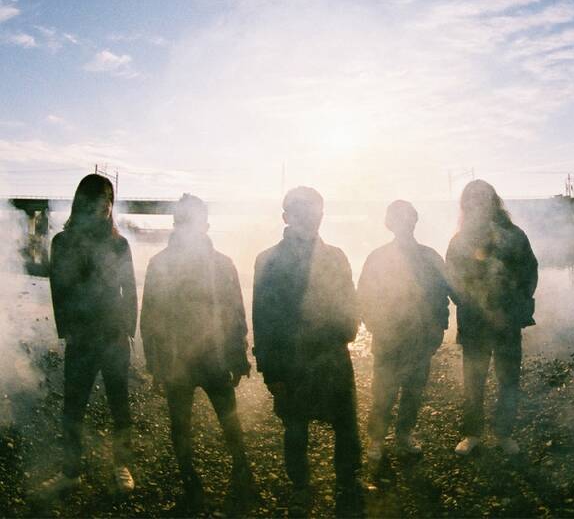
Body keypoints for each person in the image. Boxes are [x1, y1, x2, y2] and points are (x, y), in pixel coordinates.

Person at [252, 187, 362, 518]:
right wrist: (271, 372)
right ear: (286, 217)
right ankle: (300, 485)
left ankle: (347, 481)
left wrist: (348, 329)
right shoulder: (268, 260)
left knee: (345, 425)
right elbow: (263, 319)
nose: (309, 219)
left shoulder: (336, 256)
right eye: (301, 212)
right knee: (296, 428)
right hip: (291, 362)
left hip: (332, 356)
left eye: (314, 213)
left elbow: (349, 301)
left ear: (321, 216)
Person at [140, 194, 253, 509]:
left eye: (194, 221)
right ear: (179, 224)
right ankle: (215, 477)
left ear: (205, 225)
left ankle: (225, 475)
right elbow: (150, 318)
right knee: (202, 423)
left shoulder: (169, 263)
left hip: (203, 358)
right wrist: (155, 365)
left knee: (214, 422)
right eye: (185, 221)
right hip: (186, 360)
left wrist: (238, 357)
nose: (190, 227)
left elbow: (235, 315)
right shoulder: (208, 263)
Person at [42, 174, 137, 496]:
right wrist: (66, 330)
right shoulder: (63, 242)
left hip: (114, 335)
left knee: (119, 403)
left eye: (108, 199)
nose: (104, 205)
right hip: (81, 336)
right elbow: (59, 290)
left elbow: (130, 289)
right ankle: (70, 472)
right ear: (82, 202)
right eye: (98, 198)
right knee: (73, 407)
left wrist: (129, 330)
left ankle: (122, 465)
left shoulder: (119, 244)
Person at [446, 180, 538, 456]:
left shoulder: (514, 235)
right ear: (466, 204)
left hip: (507, 321)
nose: (478, 203)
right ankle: (472, 433)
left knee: (508, 379)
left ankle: (504, 433)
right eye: (472, 199)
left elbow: (530, 272)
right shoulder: (459, 240)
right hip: (475, 322)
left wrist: (518, 305)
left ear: (493, 201)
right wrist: (471, 303)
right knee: (473, 381)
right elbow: (451, 280)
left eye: (483, 198)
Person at [357, 200, 451, 462]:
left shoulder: (429, 257)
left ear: (414, 221)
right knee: (383, 390)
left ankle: (403, 435)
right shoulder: (379, 258)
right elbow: (364, 296)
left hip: (420, 336)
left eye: (407, 218)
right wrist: (376, 325)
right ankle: (377, 438)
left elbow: (441, 296)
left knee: (413, 389)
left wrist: (438, 328)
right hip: (389, 336)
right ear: (390, 224)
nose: (404, 223)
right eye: (398, 219)